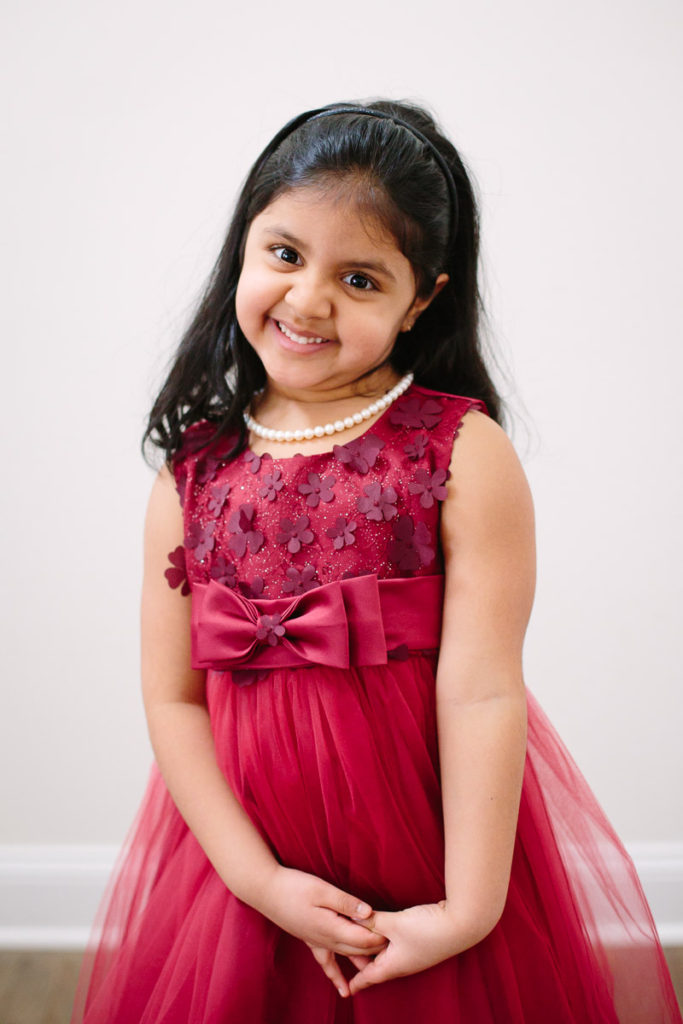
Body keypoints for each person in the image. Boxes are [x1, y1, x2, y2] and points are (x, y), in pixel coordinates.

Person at [71, 101, 681, 1023]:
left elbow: (482, 689)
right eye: (284, 254)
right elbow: (172, 698)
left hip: (421, 851)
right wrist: (257, 879)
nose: (308, 299)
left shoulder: (457, 451)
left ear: (421, 298)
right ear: (245, 244)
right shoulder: (193, 471)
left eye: (358, 278)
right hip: (245, 863)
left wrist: (467, 911)